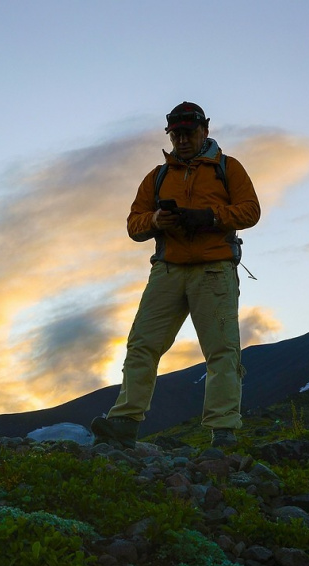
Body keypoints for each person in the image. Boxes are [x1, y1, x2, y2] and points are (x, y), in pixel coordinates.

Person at [91, 101, 261, 449]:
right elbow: (134, 224)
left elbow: (251, 211)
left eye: (188, 133)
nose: (182, 140)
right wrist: (156, 220)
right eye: (176, 134)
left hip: (214, 269)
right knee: (143, 344)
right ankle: (124, 423)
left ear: (205, 130)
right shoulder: (157, 176)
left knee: (221, 350)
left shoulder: (228, 168)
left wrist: (209, 217)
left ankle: (223, 431)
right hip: (168, 270)